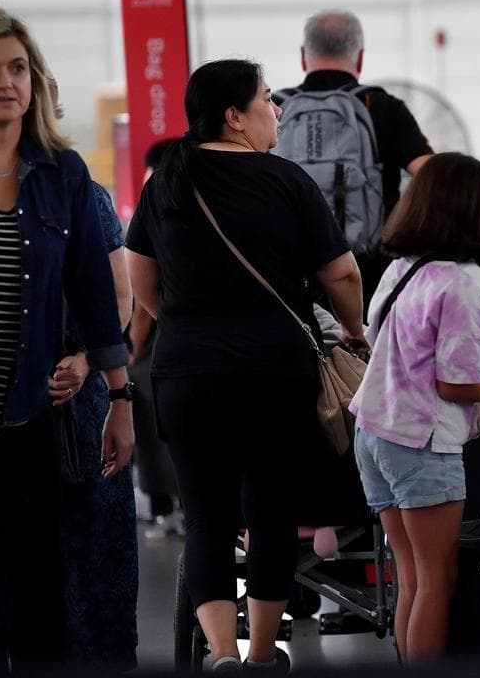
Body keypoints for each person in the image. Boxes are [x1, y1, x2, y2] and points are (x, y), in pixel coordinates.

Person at [126, 58, 366, 672]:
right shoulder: (286, 182)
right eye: (266, 99)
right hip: (274, 373)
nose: (277, 110)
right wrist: (357, 328)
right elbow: (341, 271)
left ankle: (220, 654)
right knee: (271, 510)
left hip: (186, 373)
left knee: (205, 515)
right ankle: (262, 653)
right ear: (234, 117)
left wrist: (185, 321)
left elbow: (141, 280)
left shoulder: (167, 182)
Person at [350, 152, 480, 662]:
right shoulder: (456, 286)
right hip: (421, 444)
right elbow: (454, 385)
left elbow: (396, 357)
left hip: (374, 435)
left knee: (411, 576)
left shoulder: (398, 272)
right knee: (438, 579)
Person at [0, 5, 133, 672]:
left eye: (16, 67)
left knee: (40, 594)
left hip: (30, 420)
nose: (4, 82)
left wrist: (119, 394)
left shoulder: (64, 178)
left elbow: (103, 301)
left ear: (35, 80)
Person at [278, 9, 433, 309]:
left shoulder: (275, 108)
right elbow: (432, 174)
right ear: (359, 57)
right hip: (370, 277)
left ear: (303, 56)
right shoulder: (382, 106)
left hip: (291, 276)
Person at [56, 180, 140, 670]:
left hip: (84, 395)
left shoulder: (82, 193)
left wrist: (89, 363)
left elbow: (119, 297)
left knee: (95, 535)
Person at [129, 137, 183, 539]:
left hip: (165, 341)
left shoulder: (157, 207)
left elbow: (143, 294)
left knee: (157, 423)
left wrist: (130, 351)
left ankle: (171, 507)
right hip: (201, 336)